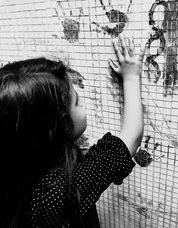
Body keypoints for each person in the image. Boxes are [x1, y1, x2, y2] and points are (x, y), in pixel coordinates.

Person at [0, 34, 145, 228]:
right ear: (54, 129)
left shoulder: (14, 164)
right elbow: (131, 137)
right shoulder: (56, 192)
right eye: (77, 101)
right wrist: (132, 76)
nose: (82, 103)